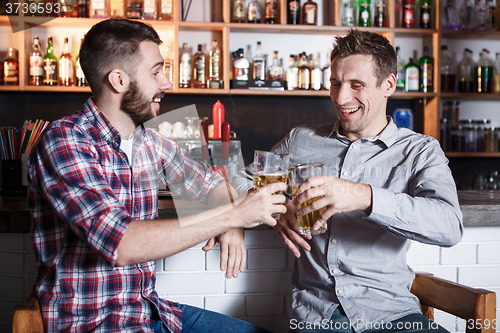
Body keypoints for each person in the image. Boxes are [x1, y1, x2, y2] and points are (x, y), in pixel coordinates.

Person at [27, 19, 286, 332]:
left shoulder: (151, 142)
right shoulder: (65, 140)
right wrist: (232, 216)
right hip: (95, 324)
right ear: (119, 80)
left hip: (151, 313)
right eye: (156, 71)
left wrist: (232, 218)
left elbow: (213, 186)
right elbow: (122, 244)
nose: (167, 83)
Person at [270, 29, 463, 332]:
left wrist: (365, 197)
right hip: (317, 317)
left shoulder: (419, 151)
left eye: (356, 85)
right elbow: (245, 179)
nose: (341, 97)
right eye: (335, 83)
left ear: (388, 85)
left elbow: (449, 226)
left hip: (394, 315)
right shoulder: (300, 140)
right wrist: (277, 208)